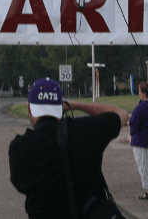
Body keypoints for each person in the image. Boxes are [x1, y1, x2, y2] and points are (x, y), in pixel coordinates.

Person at [8, 77, 129, 219]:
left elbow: (20, 185)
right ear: (60, 108)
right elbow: (122, 115)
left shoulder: (18, 148)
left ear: (29, 108)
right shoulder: (85, 130)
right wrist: (74, 105)